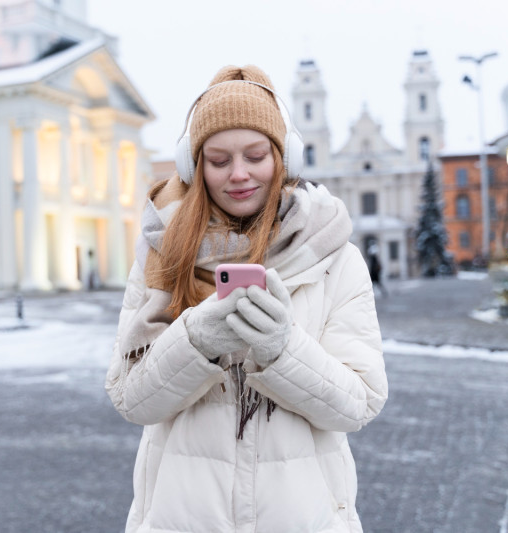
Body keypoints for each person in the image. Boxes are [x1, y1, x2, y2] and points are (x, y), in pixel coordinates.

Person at [105, 65, 388, 532]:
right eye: (218, 161)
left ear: (284, 157)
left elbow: (359, 403)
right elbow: (131, 400)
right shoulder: (161, 254)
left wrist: (283, 349)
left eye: (256, 156)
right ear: (193, 166)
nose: (239, 175)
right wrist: (194, 341)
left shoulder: (335, 258)